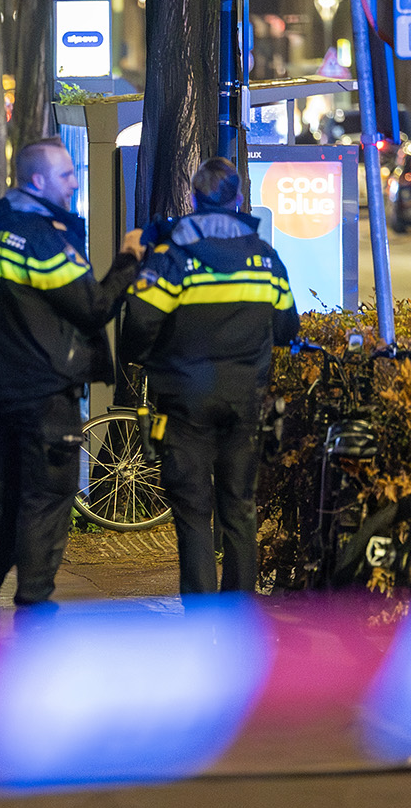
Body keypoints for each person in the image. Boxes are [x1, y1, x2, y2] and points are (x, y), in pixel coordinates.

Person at [0, 139, 143, 611]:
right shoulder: (40, 240)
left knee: (2, 504)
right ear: (38, 180)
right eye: (66, 175)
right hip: (46, 393)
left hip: (3, 394)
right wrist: (128, 260)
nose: (74, 183)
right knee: (47, 500)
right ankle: (35, 607)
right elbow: (93, 306)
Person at [122, 157, 299, 595]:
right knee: (239, 509)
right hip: (244, 402)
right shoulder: (266, 259)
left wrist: (145, 359)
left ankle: (201, 613)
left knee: (193, 511)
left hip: (184, 403)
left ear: (194, 198)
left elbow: (139, 322)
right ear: (238, 199)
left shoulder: (174, 257)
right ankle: (238, 609)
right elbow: (287, 329)